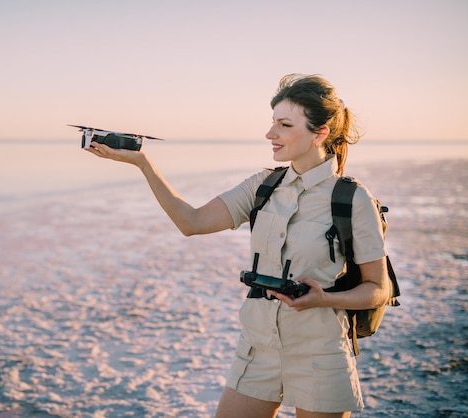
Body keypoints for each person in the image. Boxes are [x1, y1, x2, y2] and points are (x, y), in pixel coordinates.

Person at [85, 74, 390, 418]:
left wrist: (324, 299)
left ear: (319, 132)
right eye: (273, 122)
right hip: (258, 347)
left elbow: (378, 289)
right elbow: (192, 222)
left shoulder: (353, 198)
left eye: (284, 124)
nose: (270, 134)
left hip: (321, 351)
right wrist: (143, 164)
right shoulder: (263, 185)